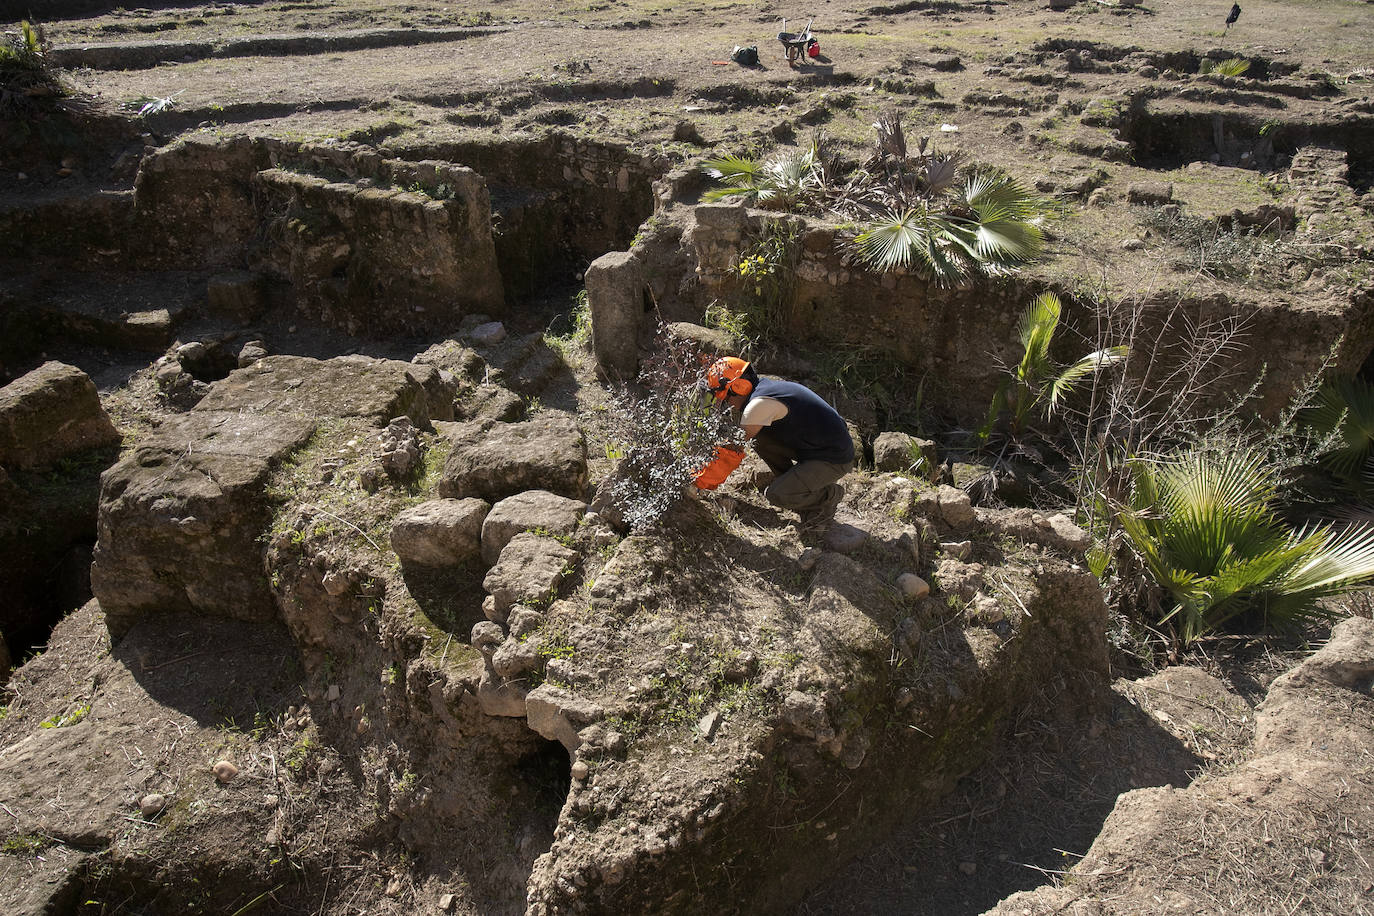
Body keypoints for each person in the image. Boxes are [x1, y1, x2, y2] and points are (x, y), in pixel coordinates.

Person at [694, 356, 854, 524]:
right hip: (816, 447)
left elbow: (729, 452)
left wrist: (697, 483)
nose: (728, 404)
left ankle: (830, 494)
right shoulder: (764, 389)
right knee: (759, 439)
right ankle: (795, 484)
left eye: (727, 398)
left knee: (777, 495)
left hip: (834, 458)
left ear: (740, 387)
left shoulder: (759, 405)